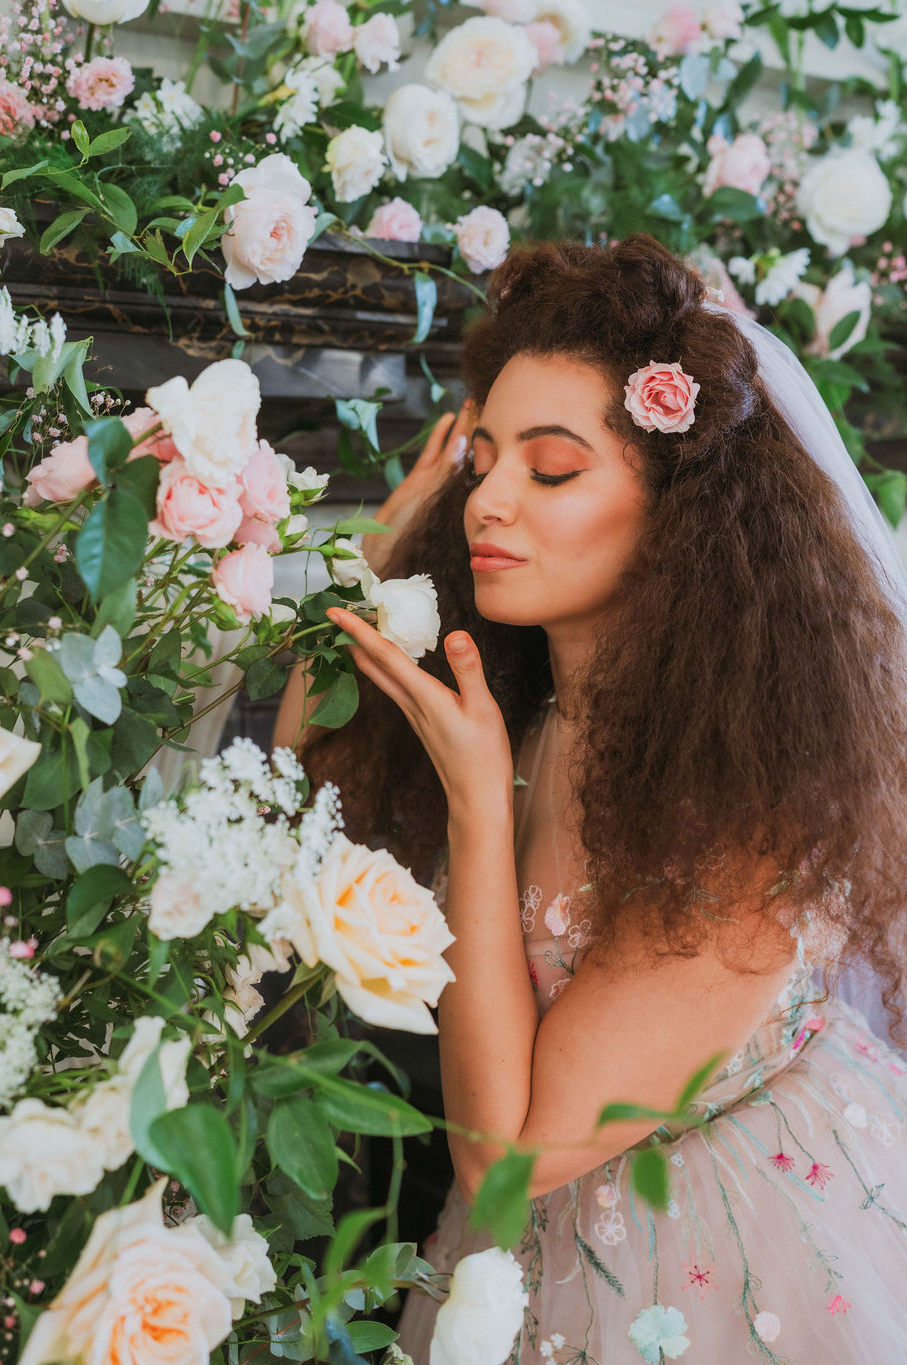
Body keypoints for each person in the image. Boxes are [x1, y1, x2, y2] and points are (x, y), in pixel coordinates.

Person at [272, 236, 907, 1363]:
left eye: (552, 470)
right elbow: (297, 790)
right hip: (519, 1264)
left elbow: (502, 1157)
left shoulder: (751, 797)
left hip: (730, 1253)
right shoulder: (519, 713)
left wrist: (479, 809)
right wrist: (372, 564)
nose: (487, 500)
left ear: (678, 511)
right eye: (479, 462)